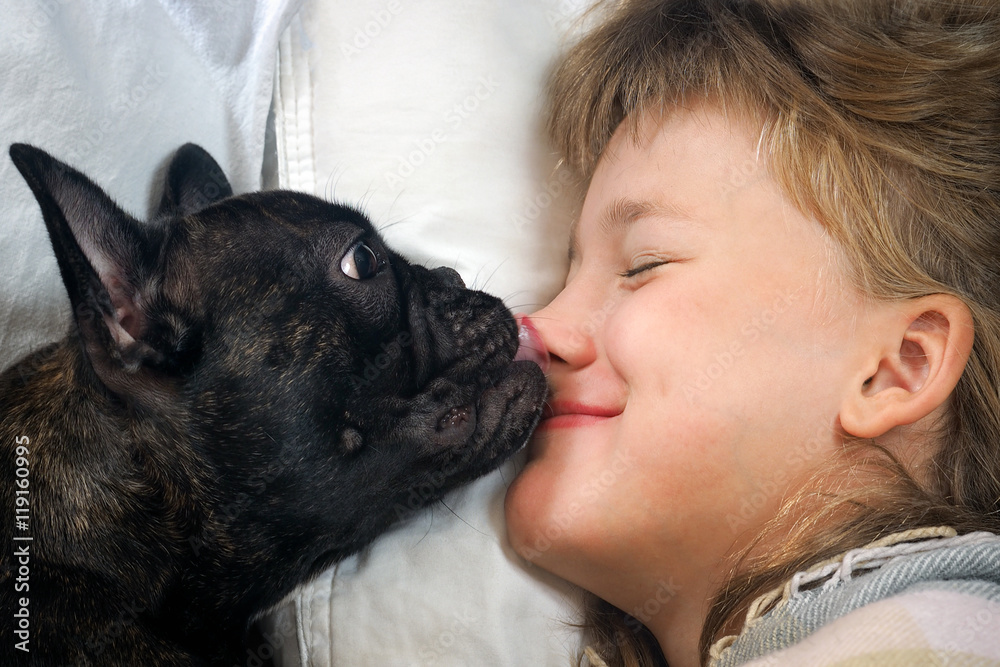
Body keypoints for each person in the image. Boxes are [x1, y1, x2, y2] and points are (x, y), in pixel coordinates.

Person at [503, 1, 1000, 665]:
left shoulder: (949, 636)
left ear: (894, 369)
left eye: (642, 264)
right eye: (563, 278)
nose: (538, 328)